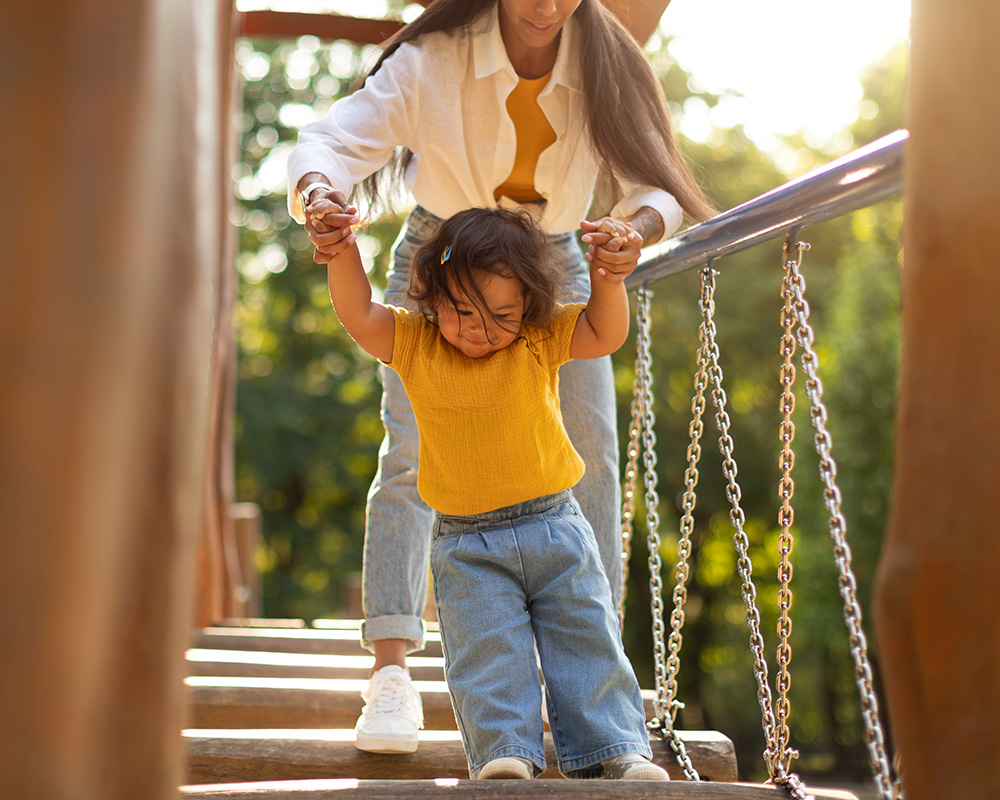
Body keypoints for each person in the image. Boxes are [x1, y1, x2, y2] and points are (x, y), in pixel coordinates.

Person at [287, 0, 714, 753]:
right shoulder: (436, 60)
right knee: (414, 455)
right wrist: (322, 193)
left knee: (588, 459)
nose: (547, 6)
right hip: (443, 263)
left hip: (551, 266)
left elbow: (656, 187)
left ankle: (587, 686)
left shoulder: (606, 63)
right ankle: (390, 672)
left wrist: (631, 233)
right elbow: (331, 139)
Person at [319, 203, 670, 780]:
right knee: (486, 650)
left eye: (501, 313)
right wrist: (342, 251)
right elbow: (357, 312)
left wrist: (608, 279)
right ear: (430, 297)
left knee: (586, 634)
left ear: (528, 305)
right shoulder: (414, 343)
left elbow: (605, 333)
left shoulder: (537, 337)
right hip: (466, 543)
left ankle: (616, 749)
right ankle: (506, 752)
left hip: (555, 523)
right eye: (462, 311)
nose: (480, 328)